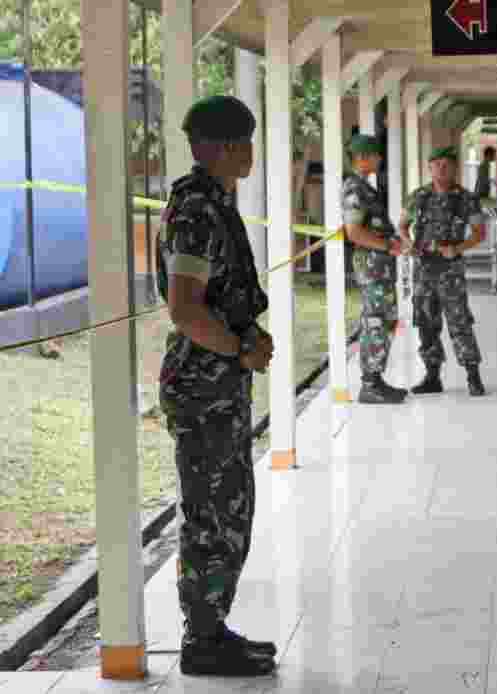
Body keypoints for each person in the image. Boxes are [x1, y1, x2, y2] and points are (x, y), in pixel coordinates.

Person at [156, 95, 277, 677]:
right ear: (228, 147)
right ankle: (202, 640)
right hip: (204, 387)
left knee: (227, 512)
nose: (251, 152)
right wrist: (241, 348)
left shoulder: (214, 203)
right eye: (247, 141)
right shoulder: (197, 211)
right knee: (212, 516)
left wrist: (247, 336)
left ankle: (211, 629)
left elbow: (218, 298)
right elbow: (185, 309)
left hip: (219, 385)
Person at [399, 146, 487, 397]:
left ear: (454, 168)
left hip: (451, 270)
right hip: (424, 269)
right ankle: (432, 376)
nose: (441, 169)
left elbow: (480, 234)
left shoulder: (467, 198)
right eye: (436, 164)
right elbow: (403, 226)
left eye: (446, 164)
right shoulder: (418, 196)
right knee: (426, 323)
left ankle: (473, 375)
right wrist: (408, 243)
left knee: (460, 322)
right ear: (429, 168)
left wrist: (458, 247)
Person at [342, 134, 408, 404]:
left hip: (379, 266)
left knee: (384, 320)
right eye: (376, 154)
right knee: (376, 321)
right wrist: (386, 246)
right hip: (372, 266)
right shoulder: (354, 189)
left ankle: (376, 379)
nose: (380, 159)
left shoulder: (363, 187)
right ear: (362, 157)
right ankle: (370, 384)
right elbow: (354, 232)